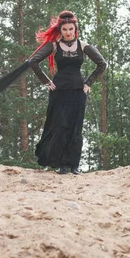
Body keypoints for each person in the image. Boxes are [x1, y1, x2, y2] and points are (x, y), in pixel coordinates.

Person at [28, 10, 107, 174]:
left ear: (75, 29)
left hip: (78, 91)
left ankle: (74, 165)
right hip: (59, 91)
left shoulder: (83, 46)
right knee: (60, 126)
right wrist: (46, 81)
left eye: (71, 29)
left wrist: (88, 83)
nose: (68, 32)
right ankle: (62, 164)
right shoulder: (54, 46)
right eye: (65, 30)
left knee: (76, 127)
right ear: (60, 30)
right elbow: (33, 61)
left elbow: (102, 64)